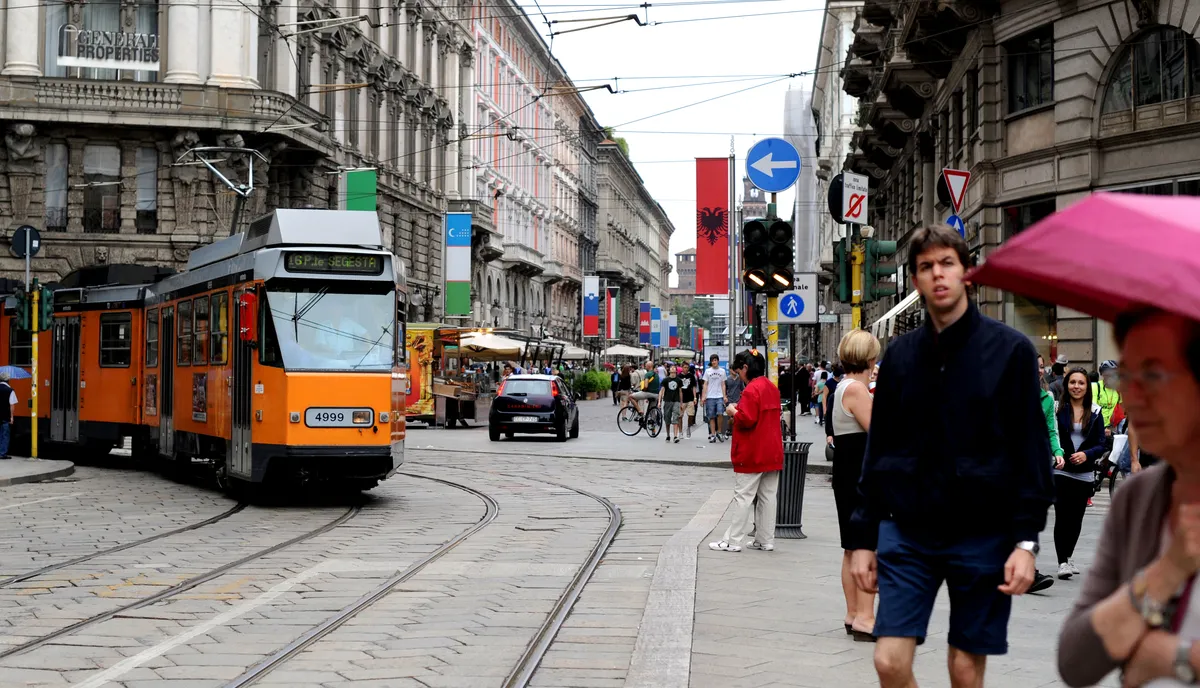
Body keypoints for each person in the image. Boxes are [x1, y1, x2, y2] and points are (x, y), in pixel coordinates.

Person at [851, 225, 1053, 688]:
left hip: (983, 533)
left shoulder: (1011, 351)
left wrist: (1026, 542)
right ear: (916, 279)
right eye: (926, 267)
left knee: (964, 669)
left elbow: (1031, 450)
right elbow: (879, 451)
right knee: (889, 662)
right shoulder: (901, 356)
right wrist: (863, 537)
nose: (937, 274)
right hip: (909, 531)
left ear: (966, 274)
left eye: (947, 264)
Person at [1056, 308, 1200, 687]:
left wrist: (1176, 658)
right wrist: (1166, 571)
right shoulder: (1139, 497)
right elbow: (1075, 662)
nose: (1132, 394)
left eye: (1152, 374)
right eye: (1127, 376)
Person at [831, 329, 880, 642]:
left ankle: (853, 614)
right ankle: (865, 617)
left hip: (848, 472)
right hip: (862, 476)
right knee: (866, 547)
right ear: (869, 357)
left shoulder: (844, 386)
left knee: (852, 548)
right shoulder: (858, 390)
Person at [708, 349, 783, 552]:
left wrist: (733, 411)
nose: (739, 374)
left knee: (743, 496)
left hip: (753, 451)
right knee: (768, 496)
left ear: (746, 368)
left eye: (739, 370)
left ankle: (733, 540)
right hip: (772, 451)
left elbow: (746, 419)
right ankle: (765, 539)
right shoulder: (771, 387)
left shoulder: (751, 390)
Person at [1053, 367, 1106, 580]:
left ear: (1087, 387)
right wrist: (1058, 454)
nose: (1076, 386)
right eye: (1072, 382)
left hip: (1084, 474)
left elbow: (1101, 443)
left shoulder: (1095, 411)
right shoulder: (1058, 409)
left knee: (1076, 519)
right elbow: (1050, 435)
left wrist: (1086, 454)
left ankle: (1068, 556)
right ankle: (1062, 561)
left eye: (1081, 383)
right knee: (1062, 516)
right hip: (1061, 471)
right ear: (1067, 385)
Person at [1031, 359, 1064, 594]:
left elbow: (1051, 429)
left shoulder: (1047, 397)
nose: (1038, 369)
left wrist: (1058, 451)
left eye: (1041, 365)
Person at [701, 354, 727, 443]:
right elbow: (705, 384)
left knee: (720, 413)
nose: (714, 362)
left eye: (715, 360)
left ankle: (719, 431)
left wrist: (724, 396)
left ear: (718, 361)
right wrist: (703, 396)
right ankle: (713, 434)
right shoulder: (707, 371)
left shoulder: (722, 371)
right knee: (711, 416)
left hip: (719, 396)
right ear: (711, 362)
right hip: (710, 397)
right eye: (712, 361)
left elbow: (723, 384)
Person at [1092, 359, 1123, 434]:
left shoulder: (1118, 390)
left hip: (1111, 429)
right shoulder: (1095, 387)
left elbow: (1121, 408)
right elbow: (1092, 411)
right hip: (1095, 427)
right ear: (1102, 374)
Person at [659, 367, 684, 444]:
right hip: (667, 401)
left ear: (676, 372)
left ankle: (675, 436)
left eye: (674, 372)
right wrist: (659, 401)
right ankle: (668, 435)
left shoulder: (679, 380)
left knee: (676, 417)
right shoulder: (665, 380)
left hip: (676, 400)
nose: (673, 373)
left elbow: (680, 391)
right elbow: (661, 390)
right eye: (671, 372)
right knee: (667, 418)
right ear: (669, 372)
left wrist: (681, 402)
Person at [724, 362, 746, 440]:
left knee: (736, 417)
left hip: (737, 401)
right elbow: (724, 389)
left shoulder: (739, 379)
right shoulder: (727, 379)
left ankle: (732, 431)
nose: (734, 371)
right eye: (732, 369)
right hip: (729, 400)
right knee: (731, 417)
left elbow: (742, 388)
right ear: (730, 370)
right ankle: (728, 430)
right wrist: (725, 397)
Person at [679, 363, 698, 438]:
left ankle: (688, 427)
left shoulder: (691, 376)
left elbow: (694, 387)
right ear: (682, 368)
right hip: (682, 399)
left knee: (691, 415)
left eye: (687, 367)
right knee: (680, 416)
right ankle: (680, 432)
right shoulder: (679, 376)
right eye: (684, 367)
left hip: (690, 397)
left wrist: (695, 397)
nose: (686, 369)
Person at [0, 372, 15, 459]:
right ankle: (2, 454)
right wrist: (11, 417)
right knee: (5, 435)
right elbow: (12, 405)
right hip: (5, 417)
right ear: (8, 380)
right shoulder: (10, 390)